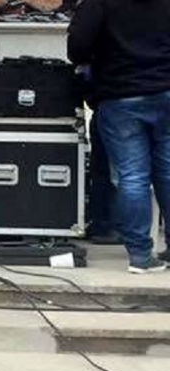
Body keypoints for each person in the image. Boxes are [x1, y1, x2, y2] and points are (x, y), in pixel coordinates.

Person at [68, 0, 170, 273]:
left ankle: (141, 256)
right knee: (168, 173)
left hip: (121, 94)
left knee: (132, 177)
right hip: (166, 91)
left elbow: (78, 45)